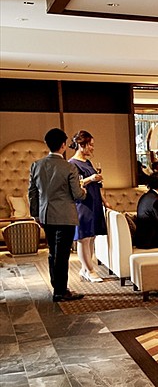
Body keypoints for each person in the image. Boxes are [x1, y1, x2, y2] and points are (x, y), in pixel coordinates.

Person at [29, 128, 86, 302]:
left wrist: (35, 214)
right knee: (62, 255)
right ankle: (60, 291)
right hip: (65, 216)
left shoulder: (36, 165)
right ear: (63, 145)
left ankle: (57, 287)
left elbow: (32, 193)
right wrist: (84, 190)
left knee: (53, 252)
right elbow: (77, 194)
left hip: (45, 215)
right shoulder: (69, 167)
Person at [68, 130, 107, 283]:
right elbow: (75, 185)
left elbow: (96, 184)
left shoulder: (87, 162)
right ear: (81, 145)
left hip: (94, 202)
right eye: (90, 145)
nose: (92, 148)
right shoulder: (72, 164)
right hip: (83, 204)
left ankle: (85, 269)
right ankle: (90, 270)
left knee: (91, 237)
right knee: (83, 237)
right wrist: (91, 178)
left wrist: (104, 201)